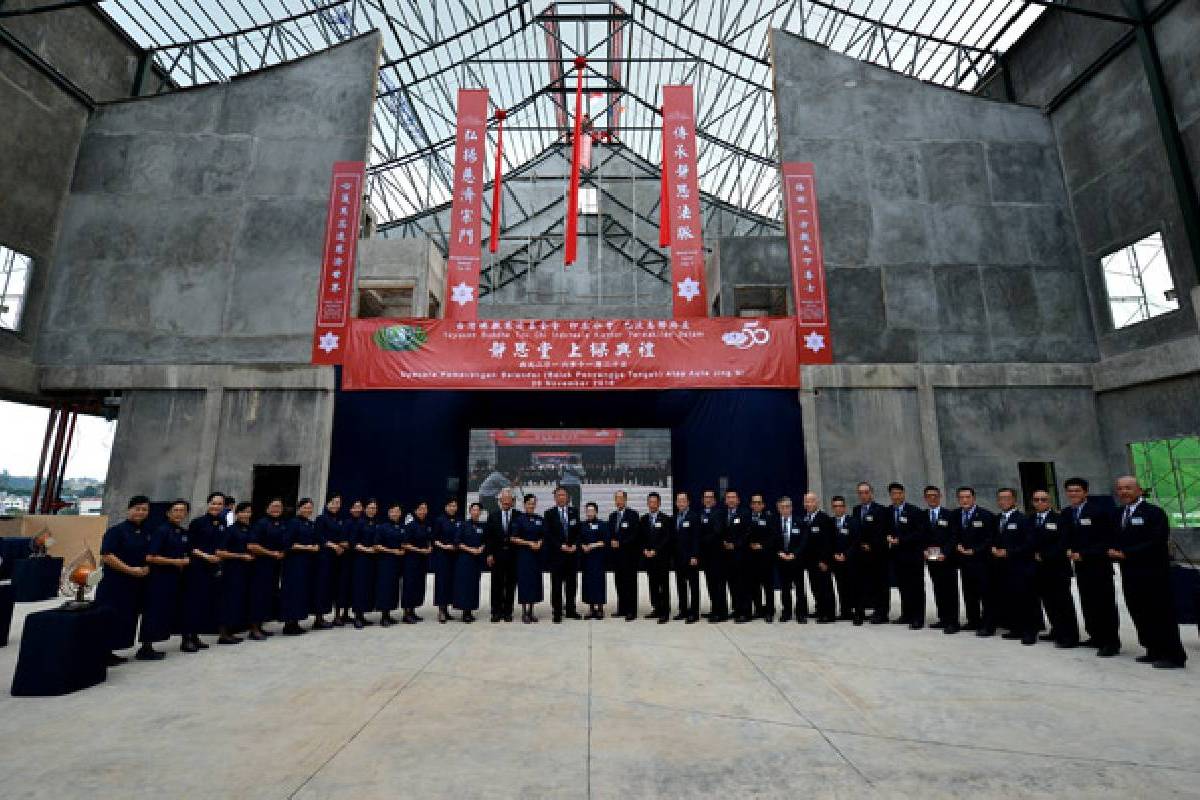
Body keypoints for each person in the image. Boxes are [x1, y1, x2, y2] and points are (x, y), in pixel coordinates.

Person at [1108, 476, 1187, 668]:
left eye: (1128, 488)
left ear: (1139, 490)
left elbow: (1156, 541)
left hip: (1153, 573)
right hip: (1130, 573)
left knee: (1161, 613)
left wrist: (1126, 553)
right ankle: (1153, 649)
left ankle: (1174, 655)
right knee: (1139, 612)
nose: (1124, 492)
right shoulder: (1119, 513)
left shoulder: (1154, 513)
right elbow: (1115, 536)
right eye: (1120, 489)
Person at [1063, 477, 1121, 657]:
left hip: (1098, 566)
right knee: (1088, 603)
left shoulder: (1099, 512)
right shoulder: (1066, 513)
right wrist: (1068, 550)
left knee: (1104, 604)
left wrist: (1085, 554)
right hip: (1080, 567)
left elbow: (1106, 540)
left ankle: (1111, 642)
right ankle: (1095, 636)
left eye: (1077, 490)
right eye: (1070, 491)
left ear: (1085, 492)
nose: (1073, 494)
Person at [96, 496, 152, 665]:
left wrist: (146, 567)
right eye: (137, 509)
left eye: (144, 510)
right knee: (109, 617)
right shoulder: (116, 531)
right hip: (115, 582)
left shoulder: (146, 532)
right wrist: (129, 570)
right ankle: (101, 652)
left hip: (135, 583)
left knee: (125, 618)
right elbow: (107, 555)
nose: (140, 512)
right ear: (129, 509)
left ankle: (111, 651)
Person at [138, 499, 191, 660]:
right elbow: (150, 557)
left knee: (168, 611)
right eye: (175, 510)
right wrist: (175, 562)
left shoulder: (182, 533)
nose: (179, 513)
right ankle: (145, 647)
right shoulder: (161, 531)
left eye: (182, 510)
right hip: (159, 577)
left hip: (175, 578)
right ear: (168, 513)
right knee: (154, 611)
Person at [1030, 489, 1079, 648]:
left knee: (1062, 603)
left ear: (1049, 502)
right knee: (1048, 603)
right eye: (1036, 500)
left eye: (1043, 499)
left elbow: (1063, 543)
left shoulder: (1060, 519)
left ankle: (1070, 637)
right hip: (1039, 570)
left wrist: (1043, 555)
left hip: (1057, 569)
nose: (1039, 502)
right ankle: (1057, 630)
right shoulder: (1030, 519)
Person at [182, 492, 225, 651]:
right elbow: (190, 547)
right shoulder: (197, 523)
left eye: (219, 504)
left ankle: (195, 636)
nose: (216, 506)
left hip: (212, 568)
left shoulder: (221, 523)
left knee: (203, 603)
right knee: (192, 603)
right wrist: (206, 556)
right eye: (214, 503)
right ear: (208, 504)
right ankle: (186, 638)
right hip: (197, 567)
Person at [885, 483, 928, 629]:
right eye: (893, 494)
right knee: (903, 587)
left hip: (913, 556)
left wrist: (901, 540)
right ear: (890, 495)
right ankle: (907, 614)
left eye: (899, 493)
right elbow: (886, 529)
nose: (896, 496)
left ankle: (918, 618)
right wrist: (888, 537)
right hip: (897, 556)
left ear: (903, 494)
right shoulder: (888, 511)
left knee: (916, 587)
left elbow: (919, 533)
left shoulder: (914, 511)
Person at [953, 486, 995, 633]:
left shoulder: (986, 515)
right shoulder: (956, 515)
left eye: (967, 497)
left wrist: (975, 550)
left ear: (973, 498)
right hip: (964, 562)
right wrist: (957, 545)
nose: (964, 500)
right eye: (961, 497)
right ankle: (973, 621)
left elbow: (990, 539)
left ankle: (989, 625)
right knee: (969, 593)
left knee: (986, 594)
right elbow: (954, 534)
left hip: (982, 562)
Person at [215, 501, 255, 645]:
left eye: (249, 512)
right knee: (228, 601)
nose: (246, 515)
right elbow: (220, 552)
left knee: (240, 600)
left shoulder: (250, 529)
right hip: (233, 570)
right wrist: (240, 556)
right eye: (243, 512)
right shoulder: (230, 530)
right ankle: (223, 634)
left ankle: (233, 630)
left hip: (247, 570)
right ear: (237, 513)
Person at [247, 498, 287, 640]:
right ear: (267, 508)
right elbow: (252, 545)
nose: (277, 508)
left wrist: (282, 552)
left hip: (275, 567)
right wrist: (271, 553)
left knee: (267, 596)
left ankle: (260, 626)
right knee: (258, 596)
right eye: (274, 506)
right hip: (261, 566)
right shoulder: (260, 524)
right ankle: (254, 628)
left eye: (279, 506)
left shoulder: (281, 524)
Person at [922, 486, 960, 634]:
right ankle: (943, 618)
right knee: (938, 588)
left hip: (946, 559)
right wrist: (924, 550)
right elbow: (921, 535)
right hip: (931, 558)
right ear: (925, 498)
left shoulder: (949, 515)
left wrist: (945, 552)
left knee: (950, 590)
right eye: (929, 495)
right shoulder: (923, 515)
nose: (932, 498)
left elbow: (953, 536)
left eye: (935, 495)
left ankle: (953, 622)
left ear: (940, 496)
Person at [280, 498, 319, 635]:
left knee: (301, 592)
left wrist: (315, 546)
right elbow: (288, 543)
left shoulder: (310, 524)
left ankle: (296, 622)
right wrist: (308, 547)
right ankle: (289, 624)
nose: (308, 510)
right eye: (305, 507)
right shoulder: (293, 523)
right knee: (292, 591)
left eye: (310, 508)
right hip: (294, 563)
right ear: (299, 508)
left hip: (306, 563)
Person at [852, 483, 890, 624]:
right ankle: (867, 610)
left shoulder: (880, 510)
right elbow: (856, 531)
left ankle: (882, 613)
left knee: (880, 584)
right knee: (865, 583)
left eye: (866, 492)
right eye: (860, 493)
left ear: (871, 493)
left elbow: (882, 532)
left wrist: (871, 545)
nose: (863, 495)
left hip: (878, 554)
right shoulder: (856, 510)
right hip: (861, 554)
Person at [544, 486, 581, 623]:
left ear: (568, 497)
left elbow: (578, 531)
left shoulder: (573, 512)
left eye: (563, 495)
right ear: (555, 498)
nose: (561, 497)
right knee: (557, 585)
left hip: (572, 555)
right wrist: (560, 546)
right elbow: (548, 534)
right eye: (558, 495)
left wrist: (575, 545)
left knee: (572, 584)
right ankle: (557, 611)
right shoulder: (549, 513)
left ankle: (571, 609)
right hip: (557, 555)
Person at [800, 492, 837, 623]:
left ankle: (829, 614)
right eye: (806, 501)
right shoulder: (806, 519)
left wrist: (825, 561)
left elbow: (828, 542)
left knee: (825, 587)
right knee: (815, 587)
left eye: (811, 501)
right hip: (810, 561)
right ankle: (820, 609)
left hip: (822, 561)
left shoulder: (824, 519)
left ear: (817, 502)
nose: (808, 504)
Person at [484, 487, 519, 623]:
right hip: (497, 555)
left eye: (508, 499)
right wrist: (489, 554)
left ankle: (508, 611)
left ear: (512, 501)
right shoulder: (493, 515)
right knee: (496, 584)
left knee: (510, 584)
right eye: (503, 499)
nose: (505, 502)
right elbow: (488, 537)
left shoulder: (518, 515)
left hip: (513, 555)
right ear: (499, 501)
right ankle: (496, 611)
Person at [312, 494, 345, 630]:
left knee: (331, 587)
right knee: (322, 587)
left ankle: (325, 616)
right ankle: (318, 619)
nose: (336, 505)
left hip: (336, 558)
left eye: (339, 503)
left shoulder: (338, 520)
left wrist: (342, 545)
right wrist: (333, 546)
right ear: (327, 503)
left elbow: (340, 536)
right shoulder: (321, 519)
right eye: (334, 502)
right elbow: (318, 536)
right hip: (324, 557)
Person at [511, 493, 545, 623]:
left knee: (535, 582)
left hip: (536, 556)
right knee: (525, 583)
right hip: (524, 556)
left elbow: (543, 535)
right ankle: (524, 612)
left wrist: (540, 543)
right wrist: (529, 543)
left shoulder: (539, 519)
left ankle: (531, 611)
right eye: (529, 503)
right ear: (524, 504)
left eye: (533, 503)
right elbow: (513, 538)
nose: (531, 505)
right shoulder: (519, 519)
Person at [830, 496, 863, 625]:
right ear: (833, 508)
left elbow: (856, 541)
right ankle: (845, 612)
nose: (838, 508)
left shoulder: (853, 522)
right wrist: (834, 555)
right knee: (841, 587)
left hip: (851, 561)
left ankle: (859, 613)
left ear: (844, 507)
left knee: (854, 588)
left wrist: (846, 555)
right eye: (835, 506)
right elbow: (828, 542)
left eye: (840, 506)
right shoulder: (830, 522)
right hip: (836, 561)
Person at [609, 490, 641, 621]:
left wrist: (620, 543)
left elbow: (635, 535)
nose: (618, 501)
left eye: (621, 498)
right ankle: (621, 608)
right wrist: (611, 541)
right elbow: (610, 533)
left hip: (629, 556)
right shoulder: (612, 516)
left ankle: (631, 611)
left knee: (630, 583)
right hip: (616, 557)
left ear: (626, 500)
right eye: (616, 498)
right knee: (619, 583)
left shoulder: (633, 515)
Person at [698, 489, 729, 622]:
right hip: (706, 556)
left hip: (718, 556)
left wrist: (701, 539)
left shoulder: (720, 513)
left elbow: (718, 531)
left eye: (711, 497)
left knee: (719, 584)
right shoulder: (701, 513)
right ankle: (714, 609)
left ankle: (721, 612)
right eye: (706, 497)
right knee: (710, 583)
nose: (708, 499)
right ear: (702, 500)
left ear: (715, 500)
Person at [641, 491, 672, 624]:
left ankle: (665, 611)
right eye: (650, 502)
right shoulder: (643, 519)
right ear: (648, 503)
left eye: (655, 502)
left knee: (663, 585)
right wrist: (645, 550)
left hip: (661, 558)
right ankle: (656, 608)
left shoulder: (665, 519)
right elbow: (640, 537)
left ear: (659, 503)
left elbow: (667, 538)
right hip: (648, 558)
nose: (652, 504)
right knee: (652, 584)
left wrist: (656, 551)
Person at [453, 502, 486, 623]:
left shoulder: (482, 526)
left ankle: (470, 610)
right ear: (470, 511)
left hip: (477, 561)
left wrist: (482, 548)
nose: (476, 512)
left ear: (480, 512)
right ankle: (465, 612)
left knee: (474, 586)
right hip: (465, 560)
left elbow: (485, 541)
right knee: (465, 586)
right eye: (474, 510)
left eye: (478, 510)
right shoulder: (463, 525)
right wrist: (470, 549)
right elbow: (457, 542)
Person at [401, 501, 433, 623]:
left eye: (425, 509)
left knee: (419, 586)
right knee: (409, 586)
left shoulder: (426, 524)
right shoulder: (410, 525)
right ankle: (406, 613)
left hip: (422, 561)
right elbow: (404, 544)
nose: (423, 511)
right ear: (415, 511)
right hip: (411, 561)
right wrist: (420, 550)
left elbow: (429, 539)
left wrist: (429, 547)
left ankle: (413, 611)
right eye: (420, 509)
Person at [775, 496, 805, 623]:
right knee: (785, 588)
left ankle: (801, 613)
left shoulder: (800, 522)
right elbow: (772, 541)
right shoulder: (774, 523)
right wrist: (779, 552)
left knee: (799, 588)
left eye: (788, 507)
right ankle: (786, 612)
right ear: (778, 509)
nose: (785, 509)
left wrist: (795, 554)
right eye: (782, 507)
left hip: (796, 561)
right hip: (781, 560)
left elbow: (804, 542)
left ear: (792, 508)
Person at [746, 493, 776, 622]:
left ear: (763, 505)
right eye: (754, 503)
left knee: (768, 586)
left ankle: (769, 611)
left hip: (765, 558)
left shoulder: (769, 517)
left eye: (759, 503)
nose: (756, 505)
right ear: (751, 505)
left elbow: (773, 536)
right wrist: (749, 544)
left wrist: (762, 545)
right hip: (751, 558)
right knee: (754, 586)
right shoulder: (747, 517)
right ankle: (758, 609)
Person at [672, 492, 701, 623]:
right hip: (678, 558)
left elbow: (696, 538)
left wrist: (694, 555)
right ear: (676, 503)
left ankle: (694, 613)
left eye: (683, 500)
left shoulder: (694, 517)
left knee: (693, 586)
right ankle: (683, 610)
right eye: (679, 500)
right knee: (681, 585)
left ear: (688, 502)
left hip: (691, 558)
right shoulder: (674, 517)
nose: (681, 503)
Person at [375, 502, 405, 626]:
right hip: (385, 562)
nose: (395, 514)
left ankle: (389, 614)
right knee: (385, 588)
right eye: (393, 511)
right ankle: (383, 616)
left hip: (397, 563)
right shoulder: (383, 527)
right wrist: (392, 551)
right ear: (389, 513)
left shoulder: (401, 527)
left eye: (398, 511)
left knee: (393, 589)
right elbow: (377, 545)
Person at [432, 498, 462, 623]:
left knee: (451, 582)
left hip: (454, 556)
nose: (453, 508)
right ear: (446, 507)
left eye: (454, 506)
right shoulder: (440, 520)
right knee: (442, 582)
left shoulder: (458, 520)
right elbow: (434, 538)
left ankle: (447, 609)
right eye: (450, 505)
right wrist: (444, 546)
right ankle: (441, 611)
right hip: (442, 555)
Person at [352, 499, 380, 628]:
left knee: (368, 587)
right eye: (370, 507)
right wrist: (367, 549)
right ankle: (357, 616)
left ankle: (363, 615)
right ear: (365, 509)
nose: (372, 510)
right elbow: (354, 542)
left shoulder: (375, 523)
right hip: (361, 559)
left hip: (373, 560)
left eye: (374, 508)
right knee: (360, 587)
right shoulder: (359, 523)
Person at [337, 499, 364, 626]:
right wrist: (353, 545)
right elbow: (341, 541)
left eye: (360, 507)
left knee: (354, 587)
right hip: (345, 559)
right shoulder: (346, 523)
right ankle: (338, 616)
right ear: (350, 509)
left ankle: (347, 614)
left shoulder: (362, 523)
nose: (358, 509)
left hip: (358, 560)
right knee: (342, 586)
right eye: (355, 507)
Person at [580, 502, 608, 619]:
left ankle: (600, 608)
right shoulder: (583, 525)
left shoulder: (601, 524)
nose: (590, 513)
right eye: (588, 511)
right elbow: (579, 539)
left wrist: (592, 545)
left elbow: (605, 540)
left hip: (598, 558)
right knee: (588, 583)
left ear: (596, 512)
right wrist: (583, 546)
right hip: (587, 559)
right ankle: (591, 608)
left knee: (599, 582)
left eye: (592, 511)